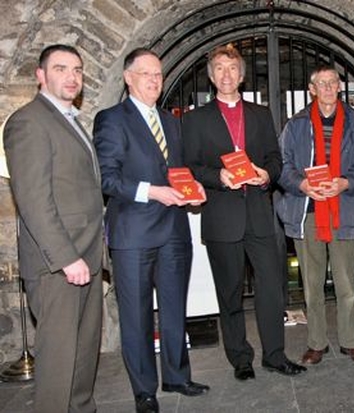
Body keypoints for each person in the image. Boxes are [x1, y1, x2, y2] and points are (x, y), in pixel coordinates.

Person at [93, 48, 209, 413]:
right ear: (129, 77)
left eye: (158, 74)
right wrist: (151, 191)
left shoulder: (170, 121)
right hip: (134, 234)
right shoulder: (112, 119)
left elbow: (177, 170)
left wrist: (193, 189)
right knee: (137, 315)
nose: (155, 81)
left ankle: (177, 375)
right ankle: (144, 390)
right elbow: (107, 178)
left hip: (174, 230)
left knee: (175, 309)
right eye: (146, 74)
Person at [182, 44, 306, 380]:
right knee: (230, 291)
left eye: (232, 68)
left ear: (241, 74)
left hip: (259, 214)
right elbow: (190, 165)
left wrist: (266, 175)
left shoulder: (260, 114)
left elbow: (275, 160)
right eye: (219, 68)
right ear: (211, 76)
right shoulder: (195, 119)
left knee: (270, 287)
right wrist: (217, 177)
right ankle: (240, 358)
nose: (226, 74)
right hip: (222, 216)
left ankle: (275, 355)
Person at [3, 44, 104, 413]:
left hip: (86, 255)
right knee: (60, 361)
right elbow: (33, 200)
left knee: (82, 353)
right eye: (61, 68)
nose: (72, 77)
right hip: (59, 264)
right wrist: (66, 258)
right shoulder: (28, 121)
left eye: (77, 69)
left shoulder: (70, 120)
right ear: (40, 76)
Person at [277, 66, 354, 365]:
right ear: (312, 89)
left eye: (333, 82)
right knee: (312, 284)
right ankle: (316, 342)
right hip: (307, 210)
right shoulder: (296, 125)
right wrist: (303, 184)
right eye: (322, 83)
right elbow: (282, 165)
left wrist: (345, 182)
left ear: (340, 86)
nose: (328, 87)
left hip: (342, 207)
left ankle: (350, 341)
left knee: (347, 284)